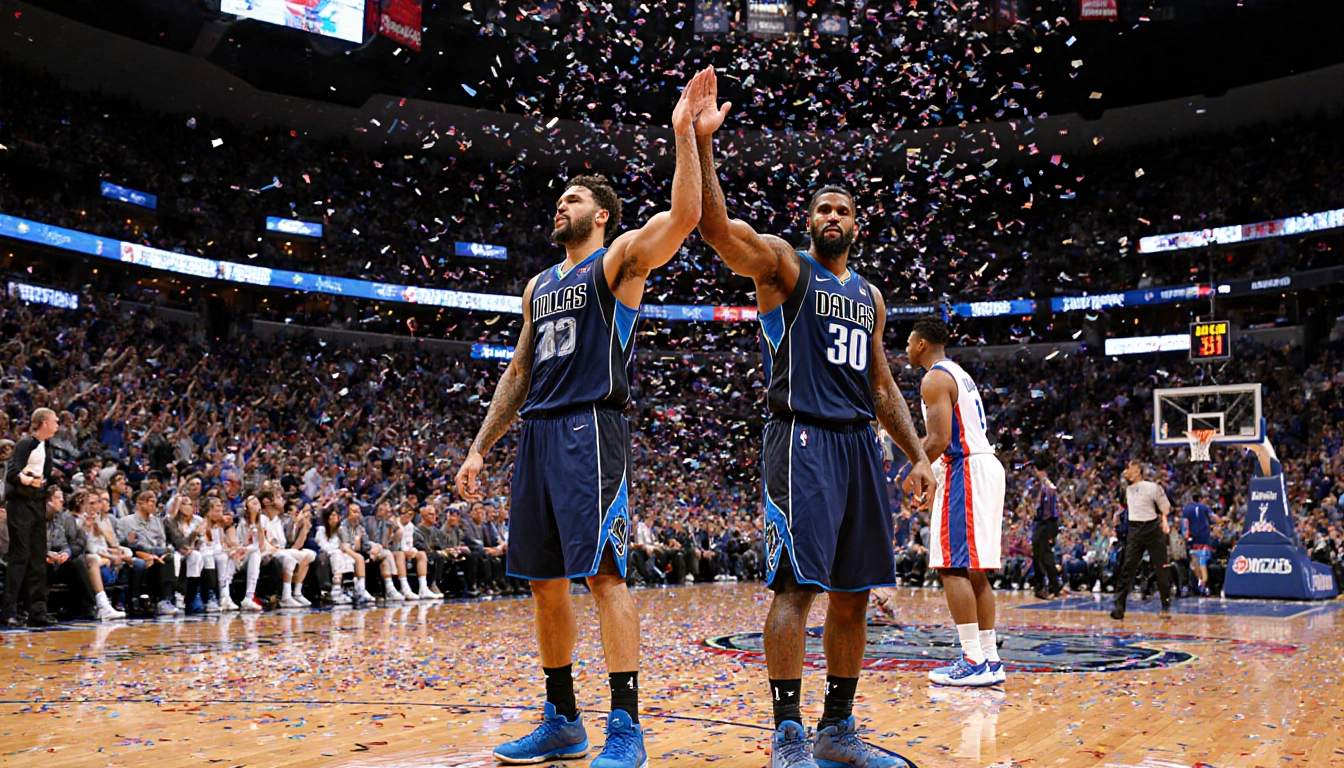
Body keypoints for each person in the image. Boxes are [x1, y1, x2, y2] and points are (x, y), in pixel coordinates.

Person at [455, 68, 711, 768]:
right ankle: (561, 717)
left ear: (600, 215)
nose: (558, 206)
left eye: (571, 199)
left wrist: (684, 135)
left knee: (603, 576)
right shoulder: (540, 284)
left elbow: (685, 218)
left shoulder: (620, 262)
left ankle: (625, 724)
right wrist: (480, 448)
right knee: (543, 582)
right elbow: (517, 373)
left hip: (591, 429)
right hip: (537, 431)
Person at [691, 69, 933, 767]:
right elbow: (714, 229)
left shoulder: (870, 296)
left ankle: (837, 729)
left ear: (858, 225)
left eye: (843, 211)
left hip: (860, 446)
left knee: (855, 596)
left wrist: (916, 453)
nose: (833, 217)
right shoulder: (785, 269)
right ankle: (788, 732)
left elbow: (883, 384)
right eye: (823, 208)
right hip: (800, 438)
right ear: (809, 222)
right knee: (799, 587)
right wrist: (706, 148)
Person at [906, 317, 1007, 689]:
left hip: (965, 467)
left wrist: (915, 468)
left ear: (920, 344)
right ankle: (989, 657)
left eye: (907, 342)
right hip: (983, 465)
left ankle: (971, 659)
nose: (905, 349)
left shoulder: (933, 378)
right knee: (974, 569)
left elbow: (938, 437)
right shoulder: (959, 373)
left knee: (951, 567)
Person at [3, 408, 60, 628]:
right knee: (20, 558)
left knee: (38, 559)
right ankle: (8, 611)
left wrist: (44, 486)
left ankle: (38, 611)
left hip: (37, 505)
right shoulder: (25, 443)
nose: (57, 425)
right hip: (20, 505)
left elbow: (45, 475)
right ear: (43, 422)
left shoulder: (48, 446)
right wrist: (28, 481)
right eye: (55, 421)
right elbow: (11, 474)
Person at [1110, 460, 1173, 620]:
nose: (1127, 471)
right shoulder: (1127, 489)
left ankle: (1165, 603)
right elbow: (1121, 501)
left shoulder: (1152, 487)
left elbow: (1165, 506)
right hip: (1135, 529)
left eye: (1129, 468)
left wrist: (1164, 520)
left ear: (1138, 470)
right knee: (1127, 567)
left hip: (1152, 528)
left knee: (1161, 568)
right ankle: (1119, 606)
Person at [259, 490, 315, 608]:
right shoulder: (261, 519)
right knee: (288, 557)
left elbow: (292, 546)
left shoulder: (278, 521)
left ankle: (297, 593)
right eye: (278, 496)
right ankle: (286, 596)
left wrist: (304, 529)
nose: (283, 500)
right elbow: (264, 543)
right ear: (267, 502)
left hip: (279, 551)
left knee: (309, 554)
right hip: (265, 553)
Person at [1030, 460, 1062, 600]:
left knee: (1041, 555)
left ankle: (1042, 586)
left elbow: (1047, 511)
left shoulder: (1048, 487)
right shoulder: (1046, 486)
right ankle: (1052, 584)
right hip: (1046, 524)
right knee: (1045, 555)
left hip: (1046, 524)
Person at [1182, 490, 1216, 596]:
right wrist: (1222, 522)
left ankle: (1199, 585)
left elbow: (1185, 526)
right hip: (1205, 539)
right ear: (1200, 499)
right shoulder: (1205, 507)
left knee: (1195, 564)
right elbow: (1214, 518)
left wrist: (1186, 538)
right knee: (1202, 563)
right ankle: (1203, 586)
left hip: (1193, 541)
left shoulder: (1186, 509)